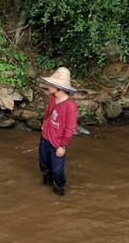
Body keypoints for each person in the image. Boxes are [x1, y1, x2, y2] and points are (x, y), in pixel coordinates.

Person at [38, 66, 78, 196]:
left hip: (57, 143)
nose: (48, 86)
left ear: (59, 88)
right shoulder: (52, 97)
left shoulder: (70, 106)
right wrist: (44, 123)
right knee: (44, 164)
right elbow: (48, 111)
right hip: (45, 137)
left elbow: (70, 128)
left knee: (57, 171)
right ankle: (46, 186)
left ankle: (59, 192)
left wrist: (63, 146)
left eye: (51, 84)